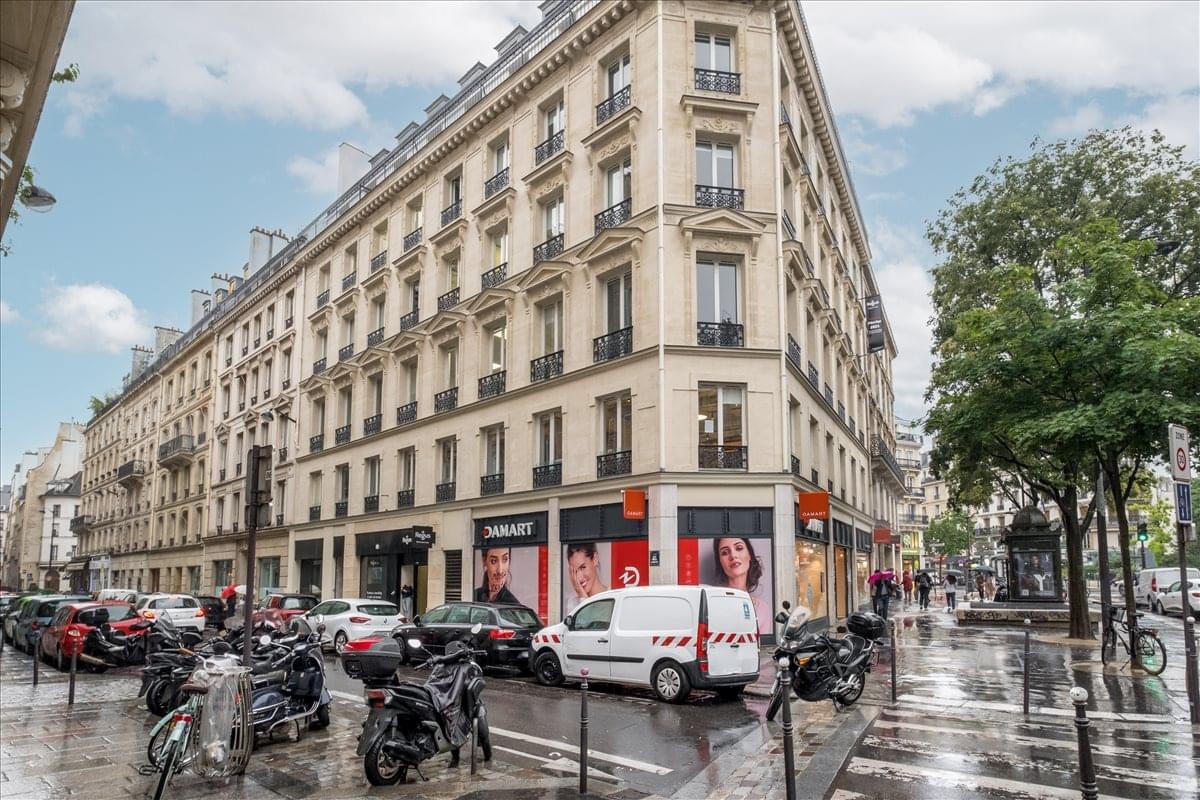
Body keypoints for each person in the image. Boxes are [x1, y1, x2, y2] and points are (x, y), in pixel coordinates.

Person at [712, 537, 770, 634]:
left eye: (739, 548)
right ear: (720, 562)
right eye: (725, 553)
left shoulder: (763, 609)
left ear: (750, 555)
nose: (733, 556)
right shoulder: (713, 602)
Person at [565, 543, 609, 615]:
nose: (579, 577)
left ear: (595, 559)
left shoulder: (611, 597)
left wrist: (583, 599)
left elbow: (591, 625)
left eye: (583, 567)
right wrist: (582, 597)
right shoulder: (572, 602)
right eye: (574, 571)